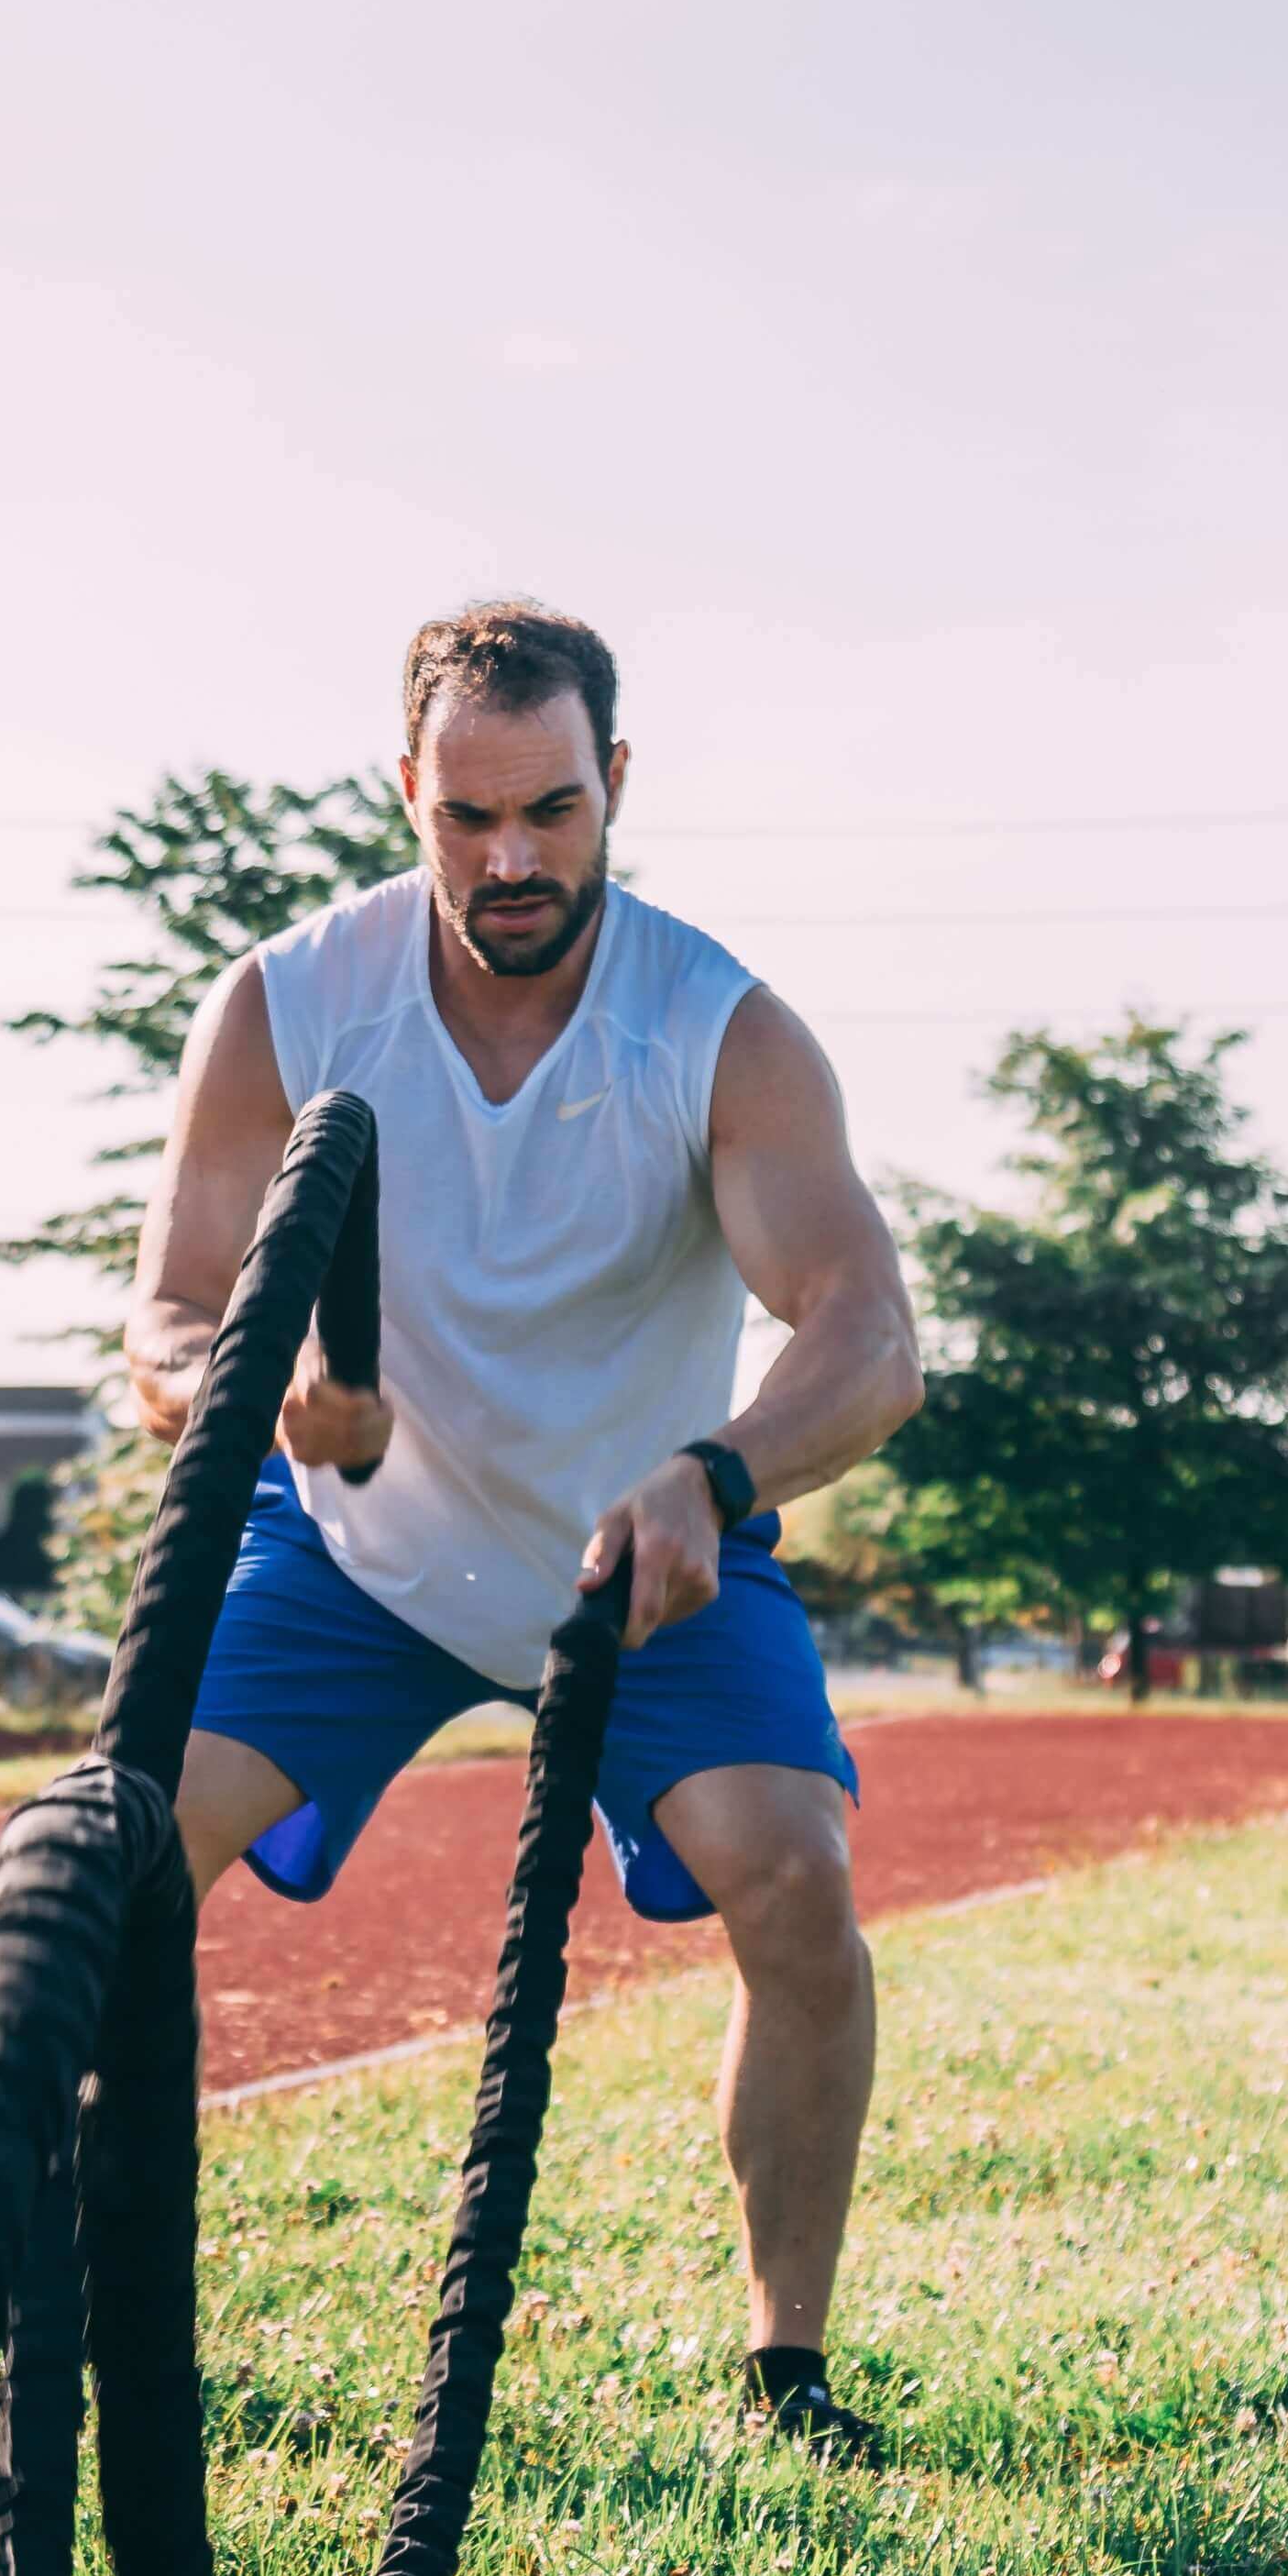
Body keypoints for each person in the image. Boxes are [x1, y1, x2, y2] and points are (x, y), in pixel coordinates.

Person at [122, 600, 924, 2464]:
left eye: (552, 812)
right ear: (405, 791)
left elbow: (869, 1338)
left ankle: (785, 2367)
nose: (510, 859)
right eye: (467, 816)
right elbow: (162, 1319)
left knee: (797, 1885)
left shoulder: (714, 1025)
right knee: (122, 1855)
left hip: (641, 1551)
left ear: (614, 786)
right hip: (352, 1538)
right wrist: (245, 1388)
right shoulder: (286, 1001)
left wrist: (715, 1476)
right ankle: (86, 2293)